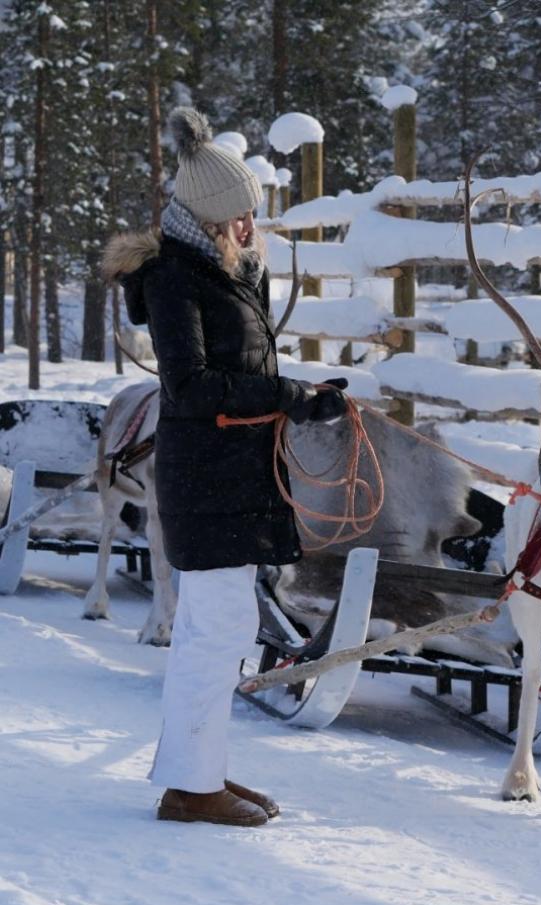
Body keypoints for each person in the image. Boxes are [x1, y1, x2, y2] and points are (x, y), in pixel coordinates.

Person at [103, 107, 347, 827]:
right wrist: (289, 397)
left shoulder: (225, 273)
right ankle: (189, 788)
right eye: (240, 216)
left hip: (234, 478)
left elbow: (238, 369)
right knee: (215, 635)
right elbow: (192, 387)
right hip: (207, 482)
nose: (251, 226)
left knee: (225, 633)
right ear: (209, 219)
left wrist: (302, 397)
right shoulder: (179, 281)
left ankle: (199, 772)